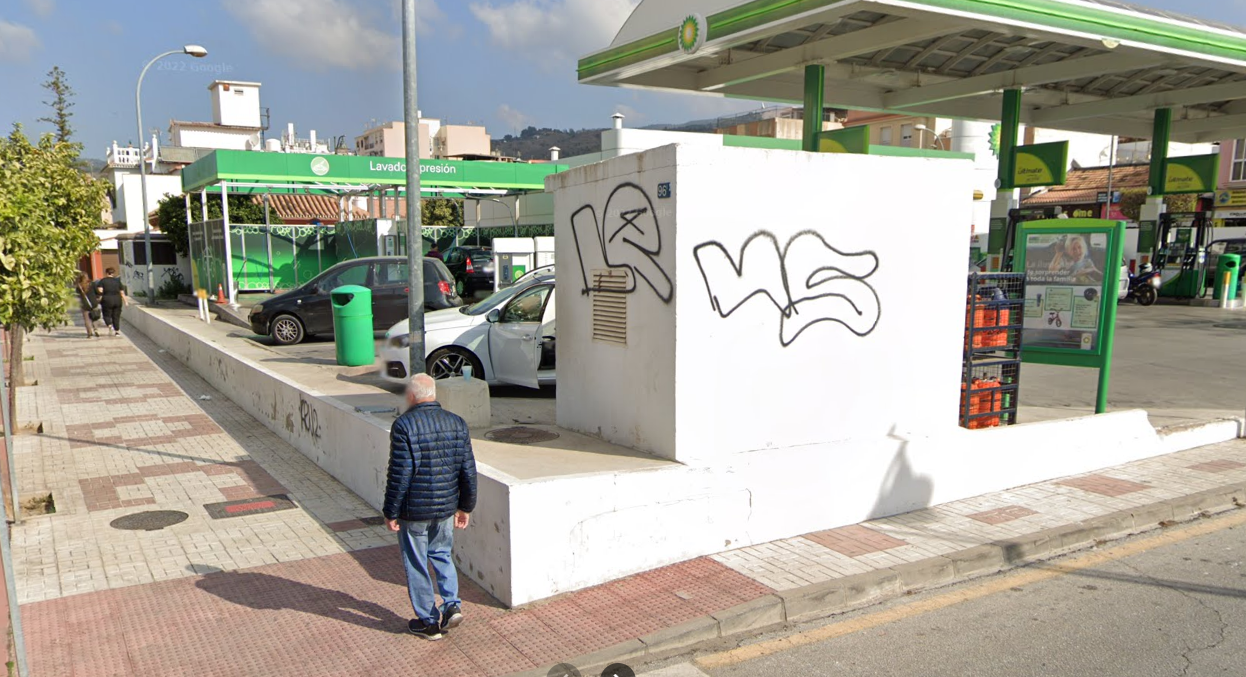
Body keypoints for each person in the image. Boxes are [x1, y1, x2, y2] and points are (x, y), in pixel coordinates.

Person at [383, 373, 477, 641]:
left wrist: (391, 511)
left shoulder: (404, 426)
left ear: (411, 396)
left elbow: (400, 473)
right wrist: (465, 507)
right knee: (442, 555)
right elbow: (468, 471)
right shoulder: (457, 423)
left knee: (416, 563)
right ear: (433, 393)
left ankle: (428, 623)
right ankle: (451, 605)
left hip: (414, 512)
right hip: (446, 508)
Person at [95, 268, 128, 337]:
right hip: (117, 300)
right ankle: (117, 331)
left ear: (106, 273)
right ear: (113, 273)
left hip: (107, 300)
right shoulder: (117, 281)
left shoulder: (102, 281)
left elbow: (100, 291)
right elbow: (122, 293)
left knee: (106, 315)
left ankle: (110, 325)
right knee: (116, 316)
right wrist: (126, 301)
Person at [74, 271, 101, 338]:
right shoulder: (92, 283)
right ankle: (96, 330)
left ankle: (89, 333)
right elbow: (97, 292)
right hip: (93, 302)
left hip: (84, 304)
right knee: (94, 316)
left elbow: (77, 295)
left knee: (87, 319)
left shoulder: (79, 286)